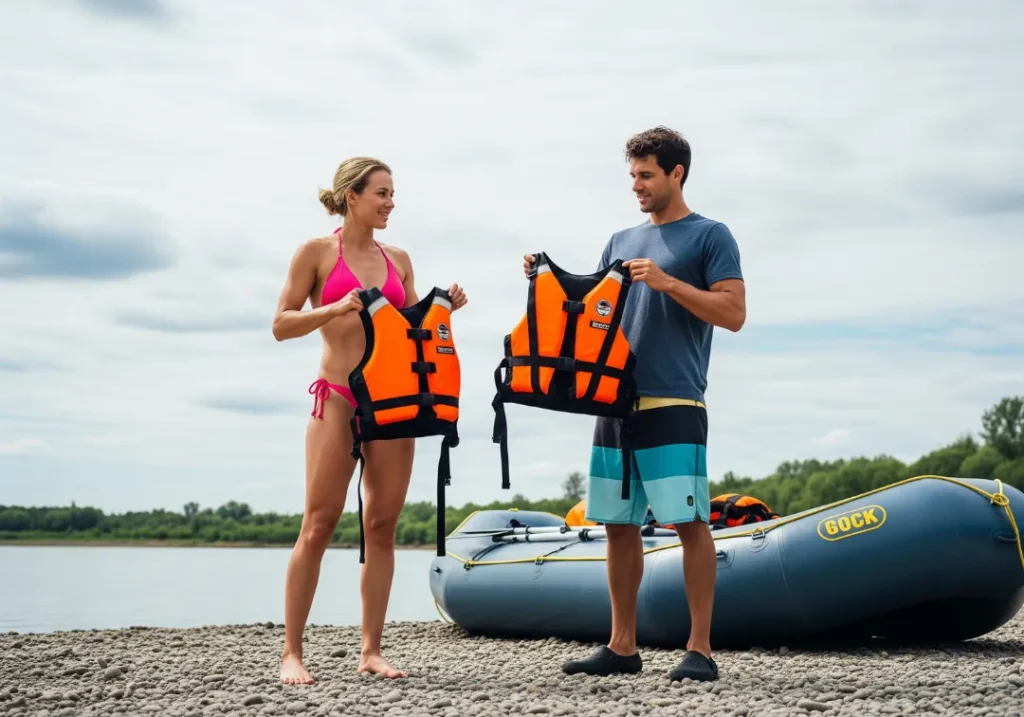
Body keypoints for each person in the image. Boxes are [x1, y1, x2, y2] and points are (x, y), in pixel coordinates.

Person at [527, 126, 745, 682]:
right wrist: (545, 280)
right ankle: (621, 647)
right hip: (614, 404)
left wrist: (670, 284)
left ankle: (701, 649)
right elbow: (590, 311)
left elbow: (733, 313)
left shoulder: (711, 236)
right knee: (618, 525)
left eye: (646, 175)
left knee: (689, 522)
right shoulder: (620, 241)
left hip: (675, 399)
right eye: (632, 175)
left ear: (677, 173)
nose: (637, 186)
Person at [271, 156, 468, 685]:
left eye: (392, 193)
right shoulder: (315, 253)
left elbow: (410, 331)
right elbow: (281, 324)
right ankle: (292, 652)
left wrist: (445, 309)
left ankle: (371, 651)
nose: (390, 203)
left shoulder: (399, 258)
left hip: (393, 404)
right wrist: (332, 310)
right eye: (381, 193)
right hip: (337, 398)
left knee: (381, 527)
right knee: (318, 525)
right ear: (351, 196)